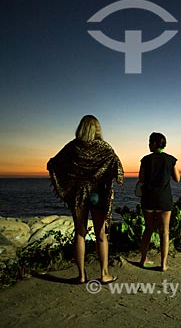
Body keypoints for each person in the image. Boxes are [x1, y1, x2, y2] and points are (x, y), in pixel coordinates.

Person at [47, 115, 123, 284]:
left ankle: (81, 276)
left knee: (80, 233)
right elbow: (117, 167)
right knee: (101, 234)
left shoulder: (72, 147)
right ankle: (104, 274)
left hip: (78, 194)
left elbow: (53, 163)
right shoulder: (104, 147)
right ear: (97, 129)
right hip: (98, 194)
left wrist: (70, 179)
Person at [138, 132, 180, 271]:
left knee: (148, 230)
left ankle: (143, 259)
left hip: (148, 199)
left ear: (155, 143)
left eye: (150, 142)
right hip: (164, 199)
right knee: (164, 232)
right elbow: (177, 178)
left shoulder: (145, 160)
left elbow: (142, 179)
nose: (149, 144)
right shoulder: (170, 159)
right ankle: (163, 264)